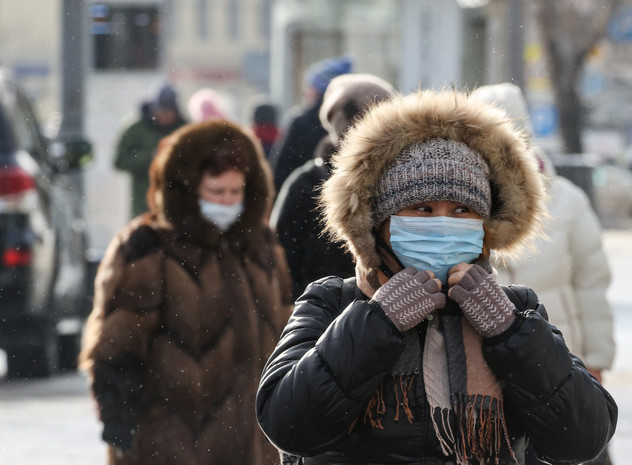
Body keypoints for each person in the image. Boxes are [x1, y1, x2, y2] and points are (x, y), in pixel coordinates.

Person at [256, 89, 618, 465]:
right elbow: (289, 425)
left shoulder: (516, 310)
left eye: (462, 210)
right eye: (422, 209)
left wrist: (511, 335)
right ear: (380, 223)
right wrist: (378, 322)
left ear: (484, 225)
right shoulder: (332, 303)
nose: (443, 224)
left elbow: (583, 438)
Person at [80, 120, 293, 465]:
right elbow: (118, 344)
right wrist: (118, 419)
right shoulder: (150, 249)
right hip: (172, 442)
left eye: (235, 192)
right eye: (216, 192)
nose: (227, 202)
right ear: (189, 188)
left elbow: (286, 332)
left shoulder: (260, 247)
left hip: (255, 442)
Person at [471, 82, 616, 465]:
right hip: (484, 369)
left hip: (561, 359)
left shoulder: (565, 199)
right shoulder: (461, 203)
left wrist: (596, 358)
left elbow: (592, 283)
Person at [272, 73, 396, 299]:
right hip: (319, 318)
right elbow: (280, 259)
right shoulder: (306, 184)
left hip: (393, 317)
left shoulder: (405, 183)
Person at [271, 56, 352, 192]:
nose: (306, 91)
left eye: (310, 86)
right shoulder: (351, 121)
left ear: (318, 90)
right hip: (341, 202)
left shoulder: (300, 121)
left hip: (301, 201)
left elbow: (281, 169)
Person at [114, 83, 187, 217]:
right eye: (161, 111)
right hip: (143, 204)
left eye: (169, 112)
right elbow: (120, 161)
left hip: (179, 205)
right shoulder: (136, 128)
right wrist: (150, 157)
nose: (164, 116)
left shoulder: (185, 129)